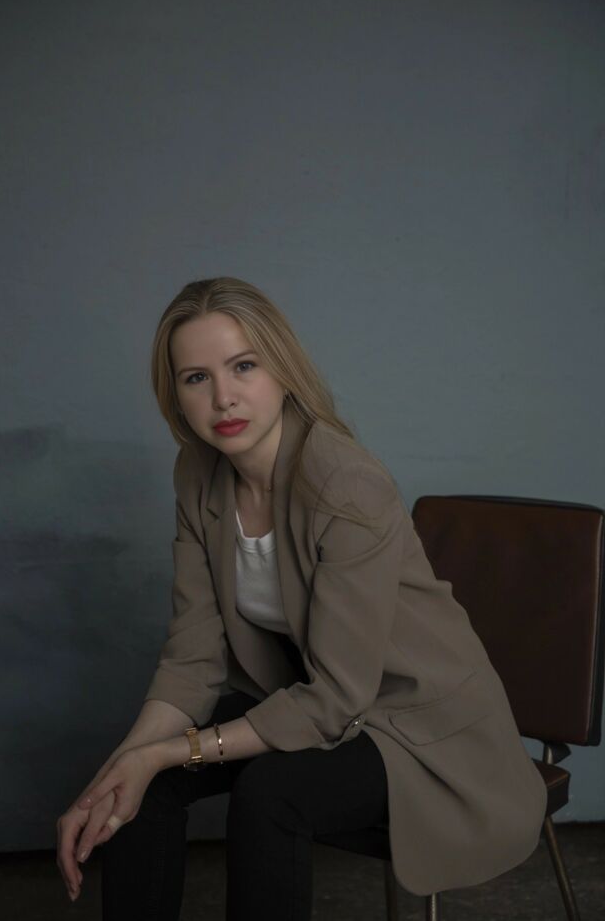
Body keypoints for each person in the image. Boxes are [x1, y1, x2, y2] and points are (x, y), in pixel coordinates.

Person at [56, 277, 547, 919]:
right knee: (144, 785)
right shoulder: (198, 474)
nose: (224, 397)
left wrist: (167, 750)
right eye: (196, 378)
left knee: (270, 792)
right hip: (305, 695)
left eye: (244, 366)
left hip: (417, 729)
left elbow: (339, 697)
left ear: (283, 370)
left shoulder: (345, 484)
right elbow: (191, 662)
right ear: (174, 395)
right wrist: (118, 772)